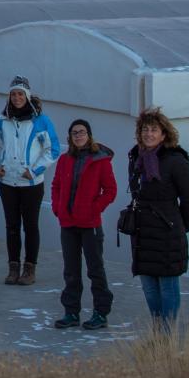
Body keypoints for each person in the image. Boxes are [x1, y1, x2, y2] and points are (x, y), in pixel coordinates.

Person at [127, 107, 189, 329]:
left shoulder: (175, 160)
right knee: (148, 285)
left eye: (154, 130)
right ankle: (158, 331)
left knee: (167, 285)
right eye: (145, 129)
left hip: (167, 230)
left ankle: (167, 334)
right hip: (143, 231)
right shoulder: (136, 158)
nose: (148, 134)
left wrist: (180, 225)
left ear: (164, 134)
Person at [0, 75, 60, 285]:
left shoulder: (41, 120)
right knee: (11, 226)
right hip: (7, 182)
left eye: (20, 94)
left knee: (30, 226)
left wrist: (35, 170)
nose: (17, 97)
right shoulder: (3, 120)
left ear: (27, 96)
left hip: (31, 184)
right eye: (13, 94)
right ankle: (13, 268)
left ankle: (30, 269)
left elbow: (53, 149)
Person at [50, 119, 116, 330]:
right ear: (70, 137)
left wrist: (93, 209)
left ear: (89, 135)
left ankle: (100, 313)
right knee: (71, 270)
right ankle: (71, 312)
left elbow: (110, 190)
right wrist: (58, 208)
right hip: (68, 223)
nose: (78, 136)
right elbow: (56, 185)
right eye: (74, 133)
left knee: (95, 269)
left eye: (82, 132)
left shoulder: (99, 160)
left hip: (90, 224)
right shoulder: (64, 160)